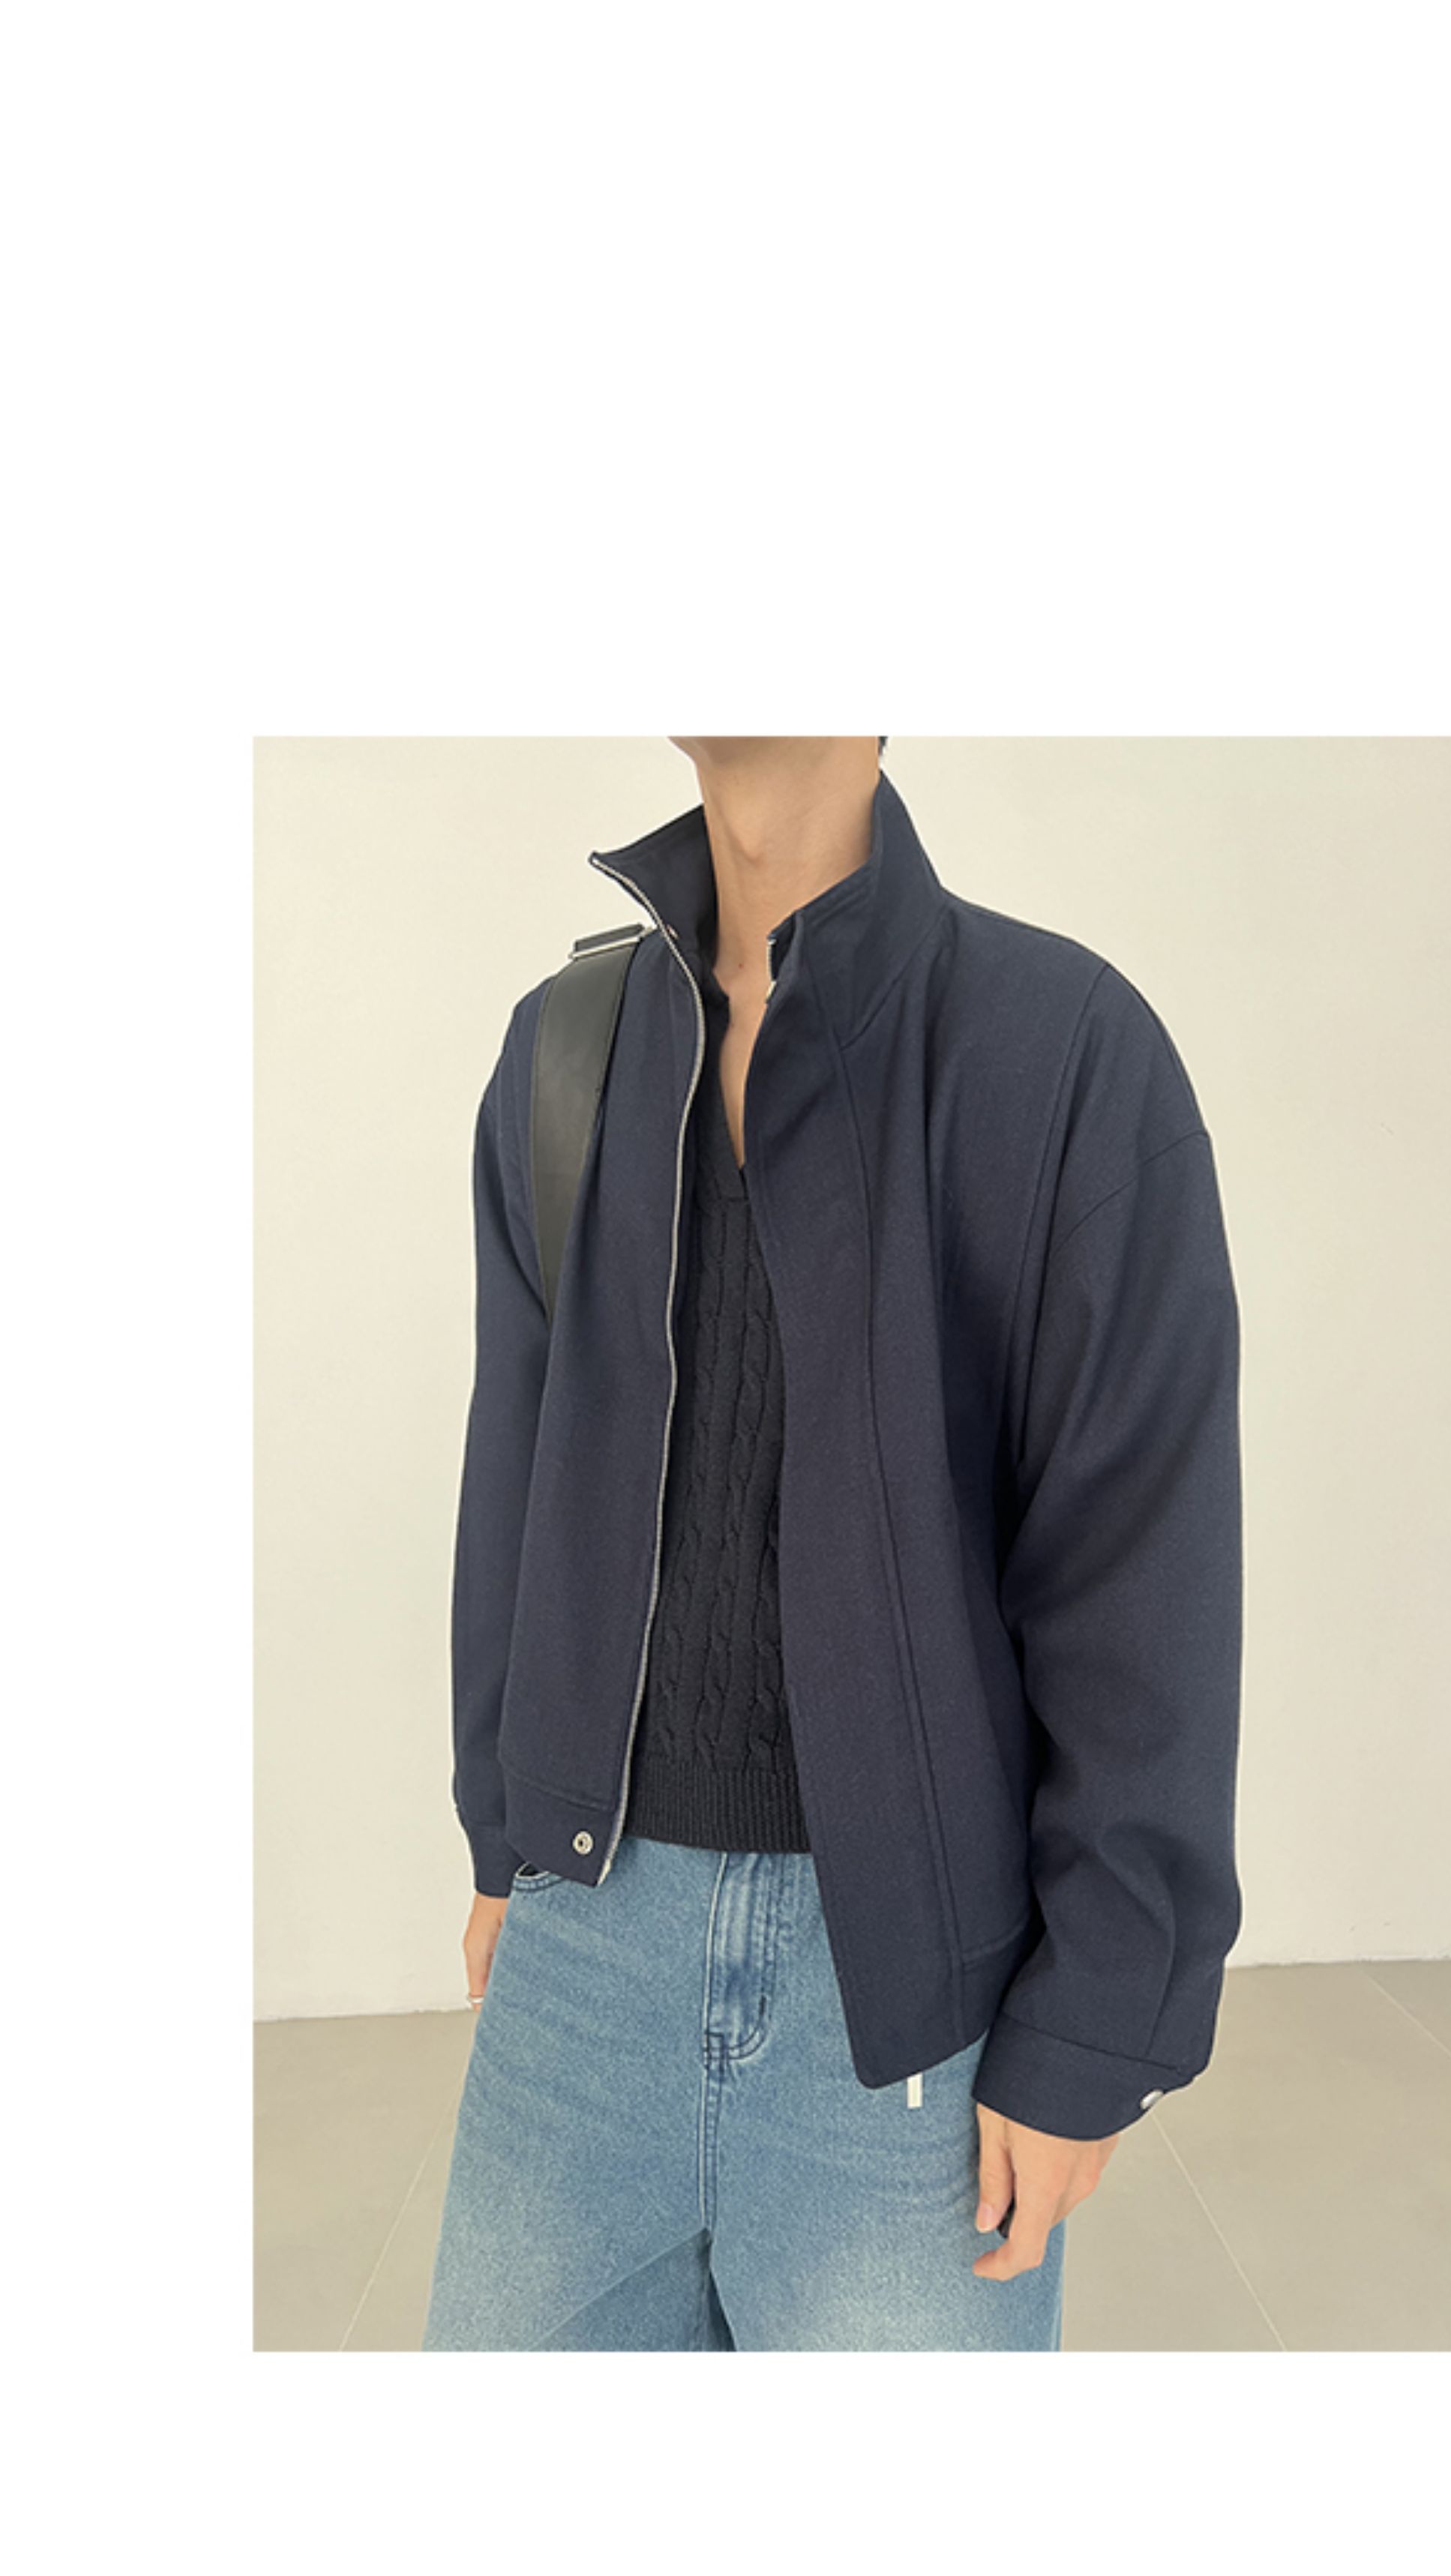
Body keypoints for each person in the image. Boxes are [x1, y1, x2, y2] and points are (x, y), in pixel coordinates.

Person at [421, 736, 1243, 2351]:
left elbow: (1141, 1568)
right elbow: (514, 1468)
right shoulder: (564, 1047)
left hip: (908, 1997)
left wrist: (1097, 2014)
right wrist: (506, 1829)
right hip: (582, 1952)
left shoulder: (1064, 1050)